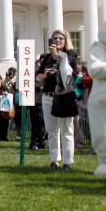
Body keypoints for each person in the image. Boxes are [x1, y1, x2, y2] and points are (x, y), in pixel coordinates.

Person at [36, 30, 78, 172]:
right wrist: (44, 75)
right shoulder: (47, 58)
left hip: (64, 95)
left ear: (66, 40)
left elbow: (70, 71)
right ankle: (54, 160)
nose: (58, 41)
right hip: (48, 96)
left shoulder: (71, 54)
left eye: (61, 38)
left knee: (67, 130)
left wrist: (57, 56)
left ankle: (68, 162)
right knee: (52, 131)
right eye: (55, 38)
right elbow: (37, 77)